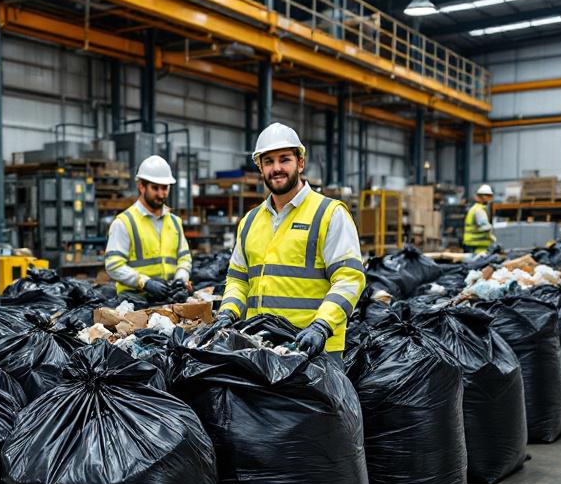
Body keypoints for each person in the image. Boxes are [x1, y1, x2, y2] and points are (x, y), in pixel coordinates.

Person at [213, 123, 366, 360]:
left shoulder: (329, 214)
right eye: (269, 162)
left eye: (284, 159)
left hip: (314, 351)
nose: (277, 168)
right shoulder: (250, 221)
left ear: (300, 163)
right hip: (259, 348)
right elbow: (238, 279)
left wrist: (321, 326)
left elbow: (349, 278)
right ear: (260, 168)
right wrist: (227, 313)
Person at [104, 155, 192, 300]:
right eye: (155, 188)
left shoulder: (175, 222)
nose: (160, 194)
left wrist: (181, 278)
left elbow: (184, 258)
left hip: (168, 299)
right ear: (141, 186)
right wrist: (144, 282)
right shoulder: (124, 223)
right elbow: (113, 266)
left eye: (165, 188)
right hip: (134, 302)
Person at [463, 183, 495, 254]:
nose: (489, 199)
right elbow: (485, 227)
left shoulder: (474, 208)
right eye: (488, 196)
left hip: (471, 244)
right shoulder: (479, 211)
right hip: (477, 247)